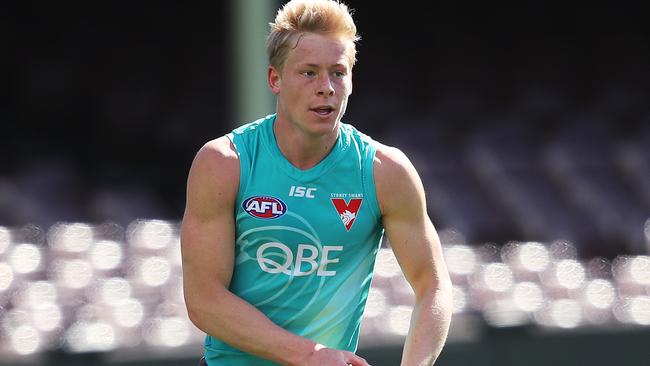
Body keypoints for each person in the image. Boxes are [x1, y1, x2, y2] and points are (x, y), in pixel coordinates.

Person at [180, 0, 452, 365]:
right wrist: (309, 355)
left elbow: (432, 286)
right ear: (274, 79)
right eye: (309, 73)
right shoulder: (224, 163)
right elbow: (204, 301)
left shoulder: (384, 171)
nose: (325, 87)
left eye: (338, 73)